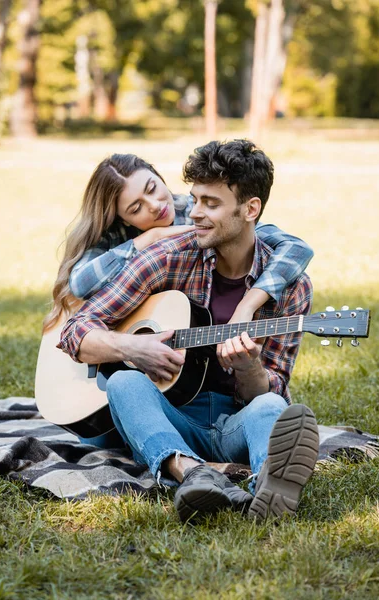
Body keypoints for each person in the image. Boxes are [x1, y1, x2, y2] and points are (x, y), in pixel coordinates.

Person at [58, 140, 319, 524]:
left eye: (210, 204)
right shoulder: (168, 256)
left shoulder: (292, 288)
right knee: (125, 384)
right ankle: (192, 474)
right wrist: (132, 346)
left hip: (237, 421)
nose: (192, 214)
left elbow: (273, 385)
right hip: (172, 414)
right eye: (193, 199)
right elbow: (76, 330)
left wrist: (249, 369)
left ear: (250, 209)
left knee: (273, 408)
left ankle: (267, 485)